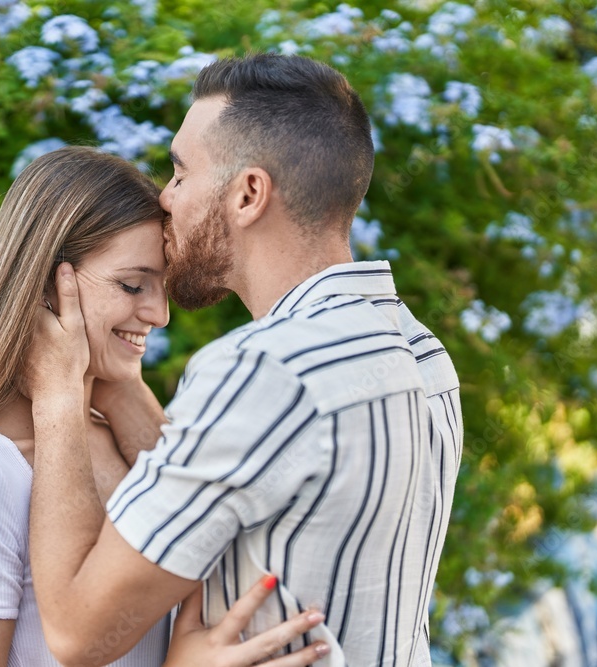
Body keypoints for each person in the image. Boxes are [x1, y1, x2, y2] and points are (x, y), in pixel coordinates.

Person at [24, 54, 463, 667]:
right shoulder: (420, 352)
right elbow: (220, 492)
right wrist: (116, 385)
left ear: (249, 194)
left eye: (181, 174)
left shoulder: (267, 371)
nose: (165, 198)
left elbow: (77, 630)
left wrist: (57, 395)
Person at [0, 146, 330, 667]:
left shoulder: (119, 439)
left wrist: (113, 385)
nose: (160, 314)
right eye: (132, 285)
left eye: (162, 287)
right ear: (47, 286)